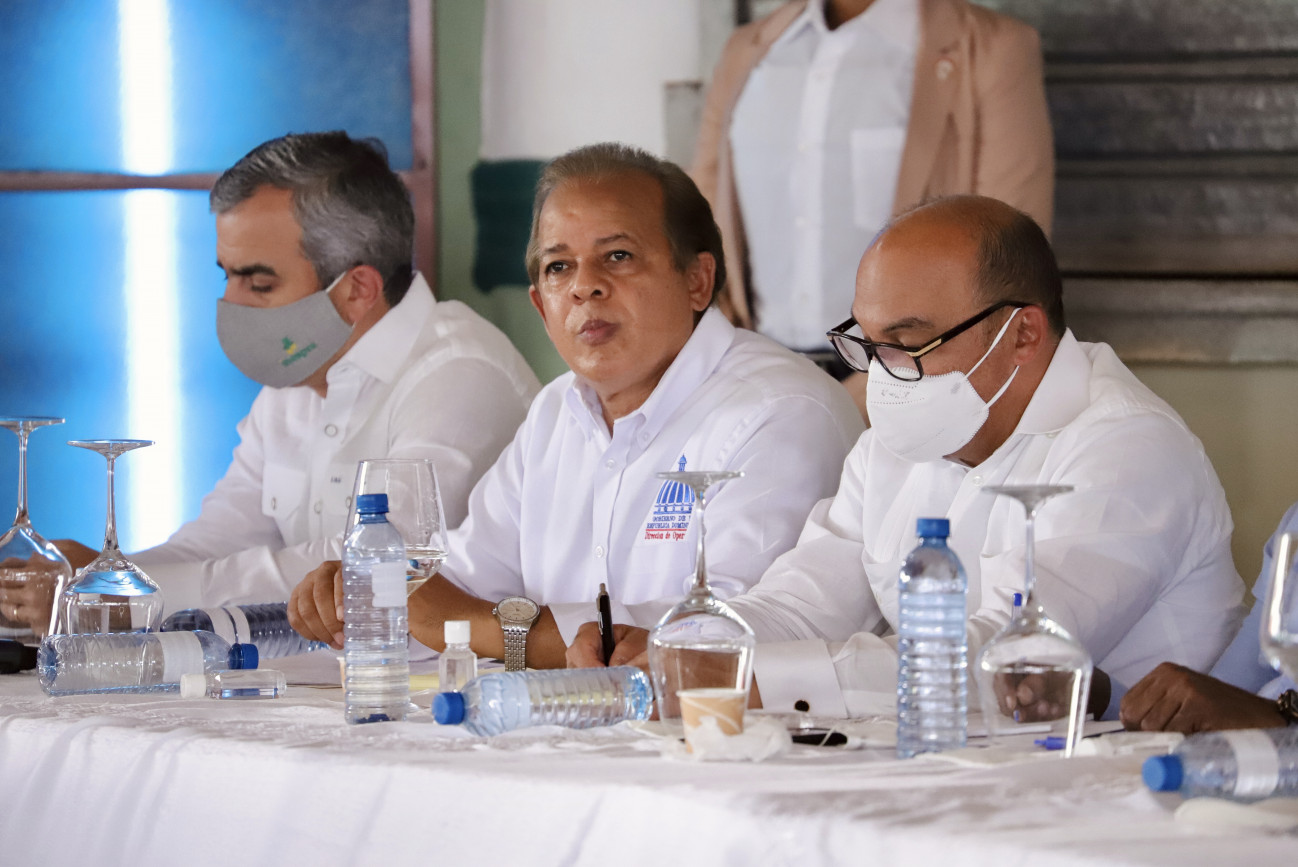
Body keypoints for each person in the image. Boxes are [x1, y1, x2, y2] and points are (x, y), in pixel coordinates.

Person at [570, 195, 1244, 720]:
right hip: (960, 766)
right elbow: (803, 603)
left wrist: (748, 680)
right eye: (867, 343)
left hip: (1139, 788)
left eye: (908, 342)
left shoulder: (1128, 448)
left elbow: (1004, 656)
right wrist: (684, 643)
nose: (882, 373)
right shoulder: (899, 443)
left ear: (1022, 333)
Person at [287, 143, 865, 667]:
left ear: (697, 280)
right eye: (559, 267)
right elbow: (462, 586)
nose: (584, 286)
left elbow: (729, 637)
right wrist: (373, 597)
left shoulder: (780, 411)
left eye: (618, 256)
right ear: (542, 307)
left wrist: (468, 623)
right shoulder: (556, 412)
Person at [0, 131, 540, 630]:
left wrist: (134, 595)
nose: (229, 304)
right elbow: (218, 541)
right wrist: (107, 577)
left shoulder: (460, 375)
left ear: (357, 289)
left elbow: (371, 567)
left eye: (258, 283)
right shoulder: (296, 378)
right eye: (226, 275)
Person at [694, 0, 1054, 416]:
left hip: (915, 391)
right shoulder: (746, 50)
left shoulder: (991, 50)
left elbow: (1008, 261)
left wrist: (869, 394)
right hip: (754, 388)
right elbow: (701, 226)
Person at [1120, 502, 1298, 733]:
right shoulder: (1295, 521)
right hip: (1246, 747)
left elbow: (1251, 710)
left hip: (1276, 747)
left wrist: (1282, 718)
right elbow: (1229, 691)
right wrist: (1107, 697)